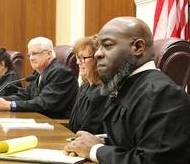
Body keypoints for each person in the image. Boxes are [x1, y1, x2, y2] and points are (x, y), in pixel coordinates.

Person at [64, 17, 190, 163]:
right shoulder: (125, 86)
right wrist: (98, 141)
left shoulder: (162, 93)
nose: (98, 53)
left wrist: (95, 150)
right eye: (98, 46)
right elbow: (130, 139)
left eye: (108, 45)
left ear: (138, 47)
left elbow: (152, 160)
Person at [0, 36, 79, 119]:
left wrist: (10, 105)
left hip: (58, 127)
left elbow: (44, 104)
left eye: (34, 53)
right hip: (40, 121)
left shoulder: (61, 72)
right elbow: (25, 95)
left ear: (48, 54)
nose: (31, 58)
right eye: (29, 55)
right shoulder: (39, 72)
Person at [68, 35, 107, 133]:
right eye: (77, 57)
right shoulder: (84, 87)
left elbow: (89, 130)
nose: (78, 62)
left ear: (97, 59)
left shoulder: (103, 92)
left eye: (82, 58)